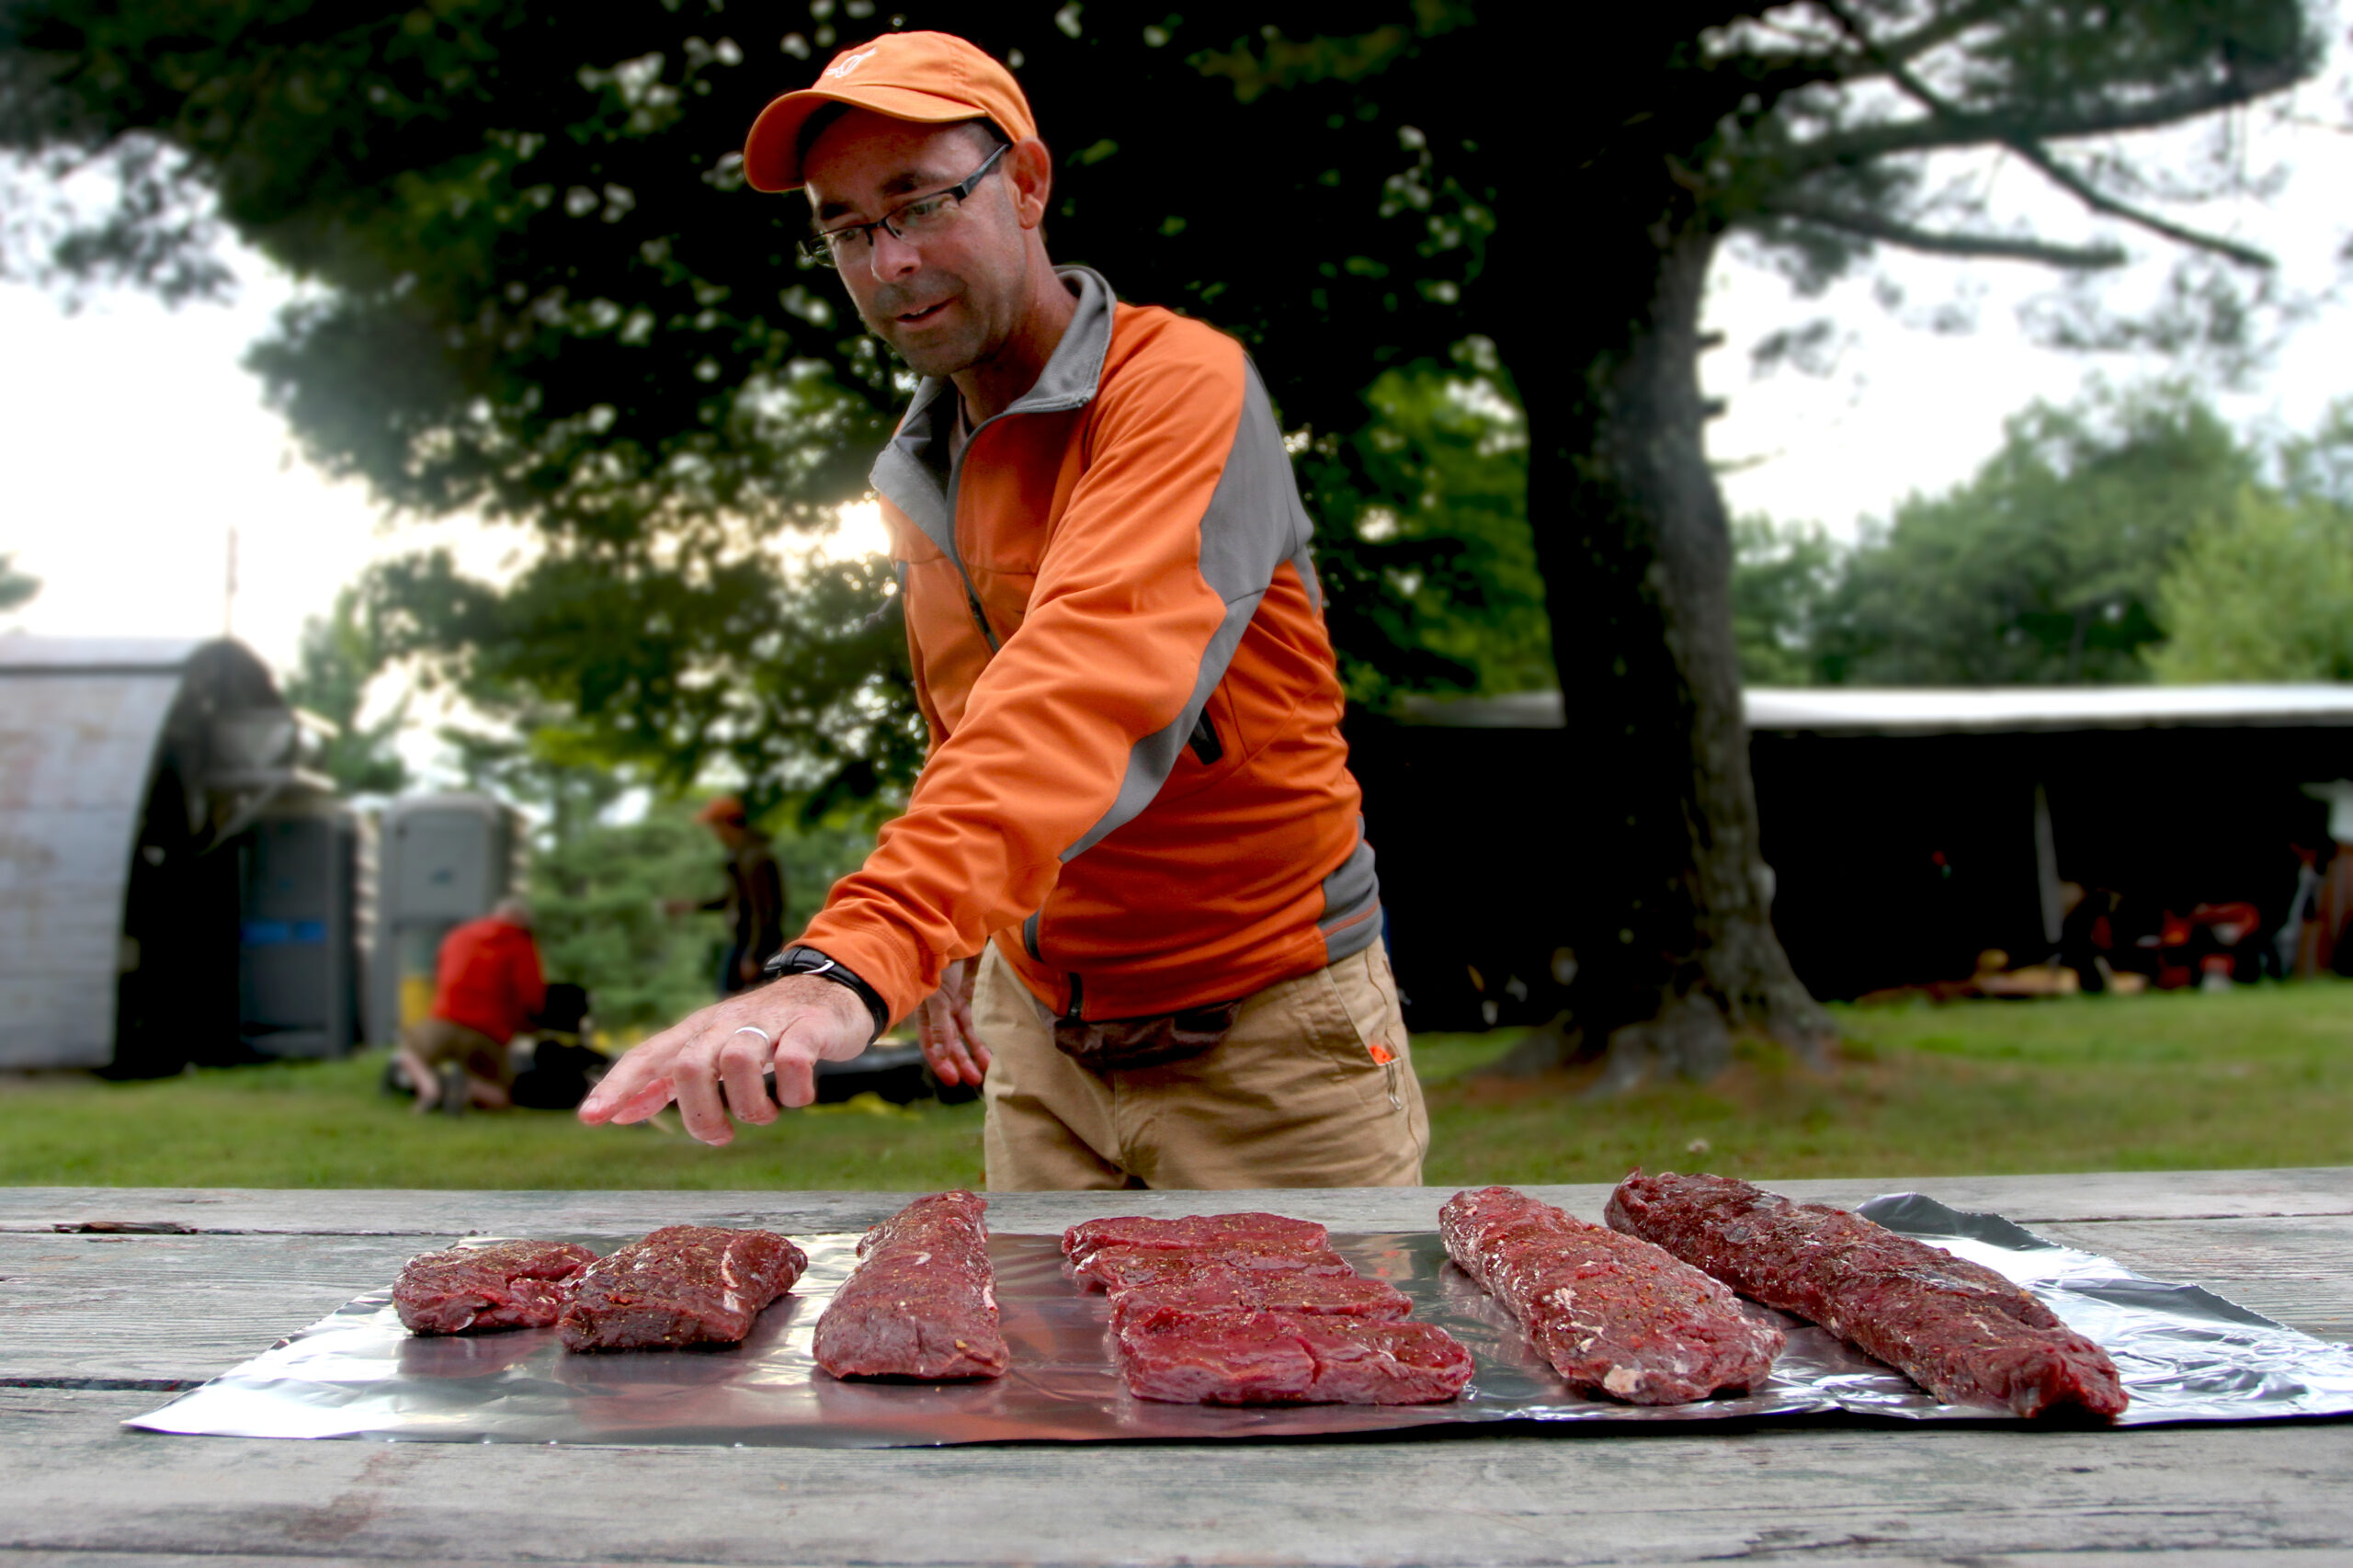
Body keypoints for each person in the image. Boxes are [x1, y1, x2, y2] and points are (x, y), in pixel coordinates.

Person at [580, 30, 1427, 1189]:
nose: (888, 263)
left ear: (1026, 184)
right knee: (1037, 1377)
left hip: (1273, 1046)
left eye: (919, 202)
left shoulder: (1178, 387)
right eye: (845, 228)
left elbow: (1076, 690)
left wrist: (855, 958)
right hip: (1040, 1051)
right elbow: (971, 724)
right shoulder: (919, 463)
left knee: (1318, 1372)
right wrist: (955, 938)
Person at [395, 896, 546, 1114]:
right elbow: (532, 998)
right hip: (490, 1033)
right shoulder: (521, 944)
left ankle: (429, 1088)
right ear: (522, 921)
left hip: (445, 1020)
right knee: (501, 1095)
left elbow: (440, 973)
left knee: (408, 1052)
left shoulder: (459, 935)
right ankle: (469, 1087)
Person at [672, 795, 788, 996]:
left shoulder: (756, 859)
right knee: (730, 999)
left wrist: (754, 955)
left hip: (755, 946)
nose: (714, 833)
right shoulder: (740, 857)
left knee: (736, 1001)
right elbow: (733, 900)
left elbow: (765, 912)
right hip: (744, 943)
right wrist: (692, 906)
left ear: (726, 824)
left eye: (714, 827)